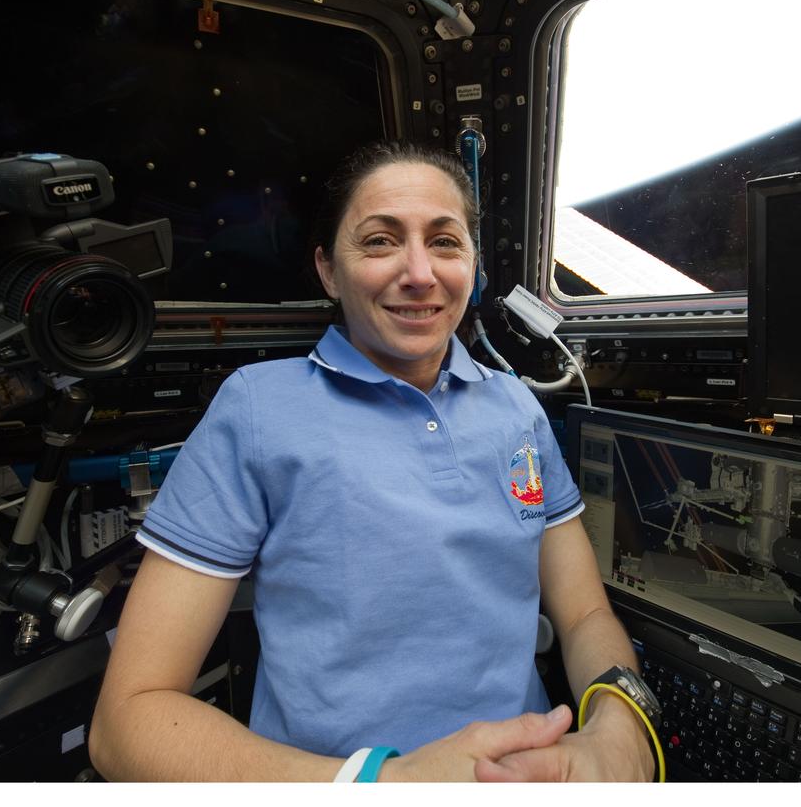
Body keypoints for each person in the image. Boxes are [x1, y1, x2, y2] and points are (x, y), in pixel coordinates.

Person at [89, 142, 656, 782]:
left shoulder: (517, 409)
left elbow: (583, 614)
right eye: (381, 241)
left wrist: (621, 728)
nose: (420, 273)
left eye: (445, 242)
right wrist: (384, 783)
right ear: (329, 270)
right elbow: (126, 722)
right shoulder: (258, 409)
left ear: (472, 264)